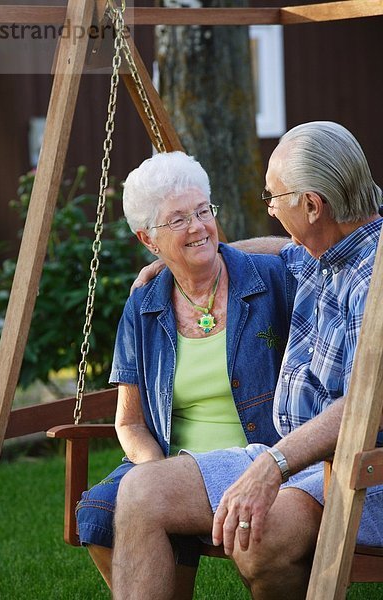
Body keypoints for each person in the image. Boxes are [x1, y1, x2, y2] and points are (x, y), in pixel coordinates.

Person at [111, 121, 383, 600]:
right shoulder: (323, 253)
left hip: (357, 470)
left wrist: (272, 466)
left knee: (259, 539)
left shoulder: (372, 281)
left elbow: (363, 407)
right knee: (141, 491)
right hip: (298, 460)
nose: (271, 209)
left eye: (275, 197)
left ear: (313, 206)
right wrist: (187, 256)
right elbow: (278, 249)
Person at [75, 151, 295, 593]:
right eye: (178, 220)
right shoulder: (144, 304)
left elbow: (307, 249)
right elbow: (130, 421)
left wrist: (233, 249)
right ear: (148, 239)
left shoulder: (271, 280)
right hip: (173, 462)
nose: (197, 227)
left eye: (202, 211)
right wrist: (154, 474)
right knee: (98, 511)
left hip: (258, 455)